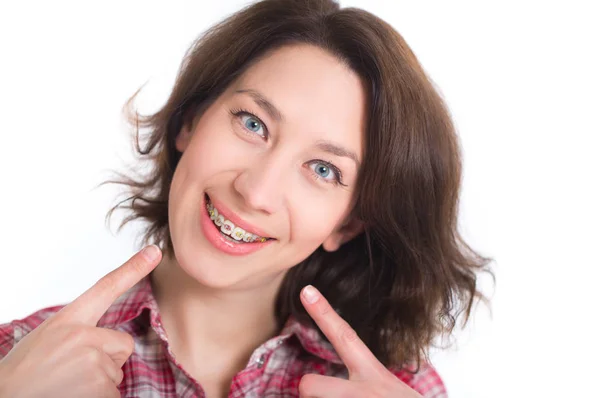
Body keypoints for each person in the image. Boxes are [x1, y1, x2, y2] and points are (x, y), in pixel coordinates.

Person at [0, 0, 492, 396]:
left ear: (348, 223)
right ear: (190, 120)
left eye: (323, 170)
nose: (256, 191)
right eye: (253, 123)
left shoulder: (394, 389)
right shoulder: (18, 359)